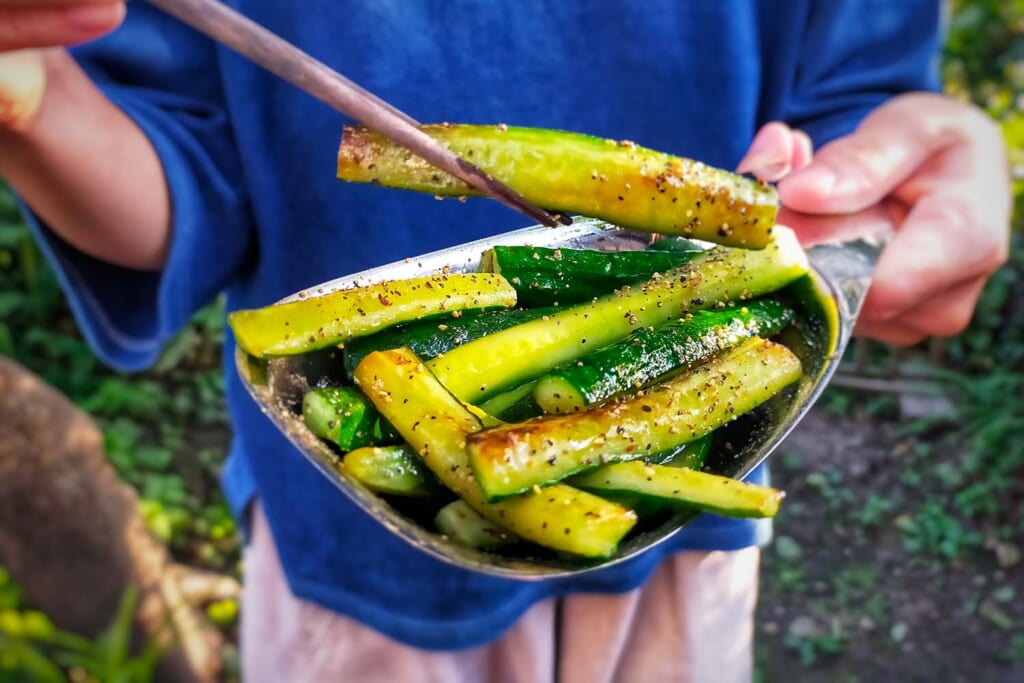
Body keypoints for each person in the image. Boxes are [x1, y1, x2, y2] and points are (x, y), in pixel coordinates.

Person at [0, 1, 1010, 681]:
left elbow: (857, 92)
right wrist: (30, 94)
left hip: (681, 505)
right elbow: (183, 177)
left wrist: (898, 159)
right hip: (356, 546)